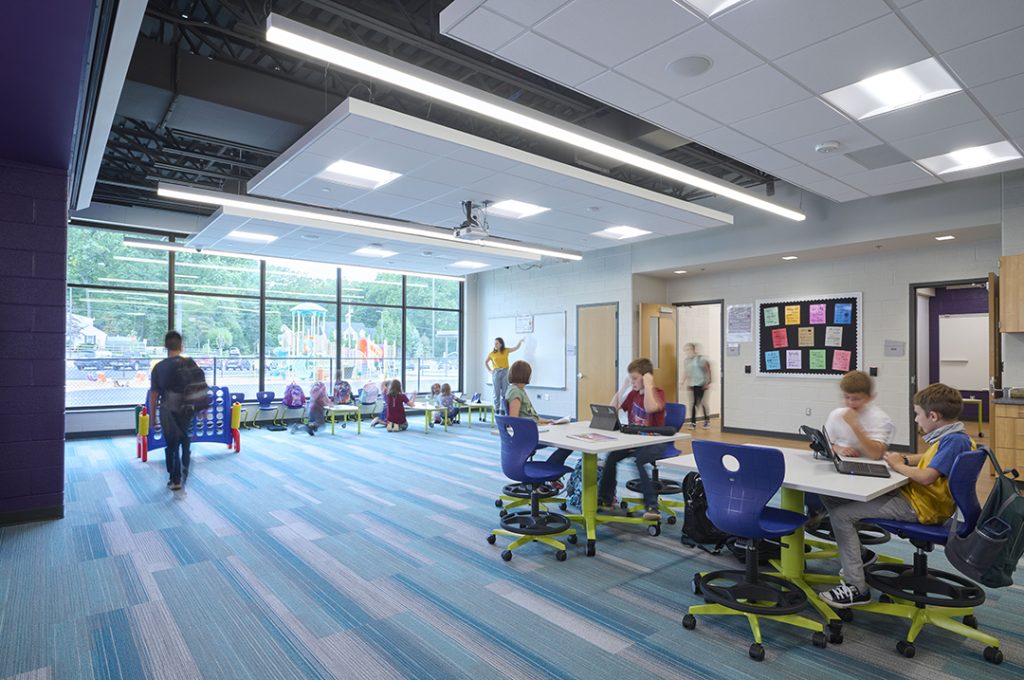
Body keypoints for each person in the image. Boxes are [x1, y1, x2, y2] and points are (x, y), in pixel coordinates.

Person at [818, 383, 974, 608]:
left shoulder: (953, 441)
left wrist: (899, 466)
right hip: (920, 501)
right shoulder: (958, 437)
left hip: (919, 507)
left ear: (933, 415)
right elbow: (933, 457)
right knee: (832, 498)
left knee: (842, 515)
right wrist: (904, 459)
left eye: (918, 415)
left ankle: (855, 588)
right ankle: (859, 555)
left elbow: (926, 477)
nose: (916, 420)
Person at [597, 358, 666, 521]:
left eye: (635, 378)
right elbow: (612, 409)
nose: (632, 381)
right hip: (635, 441)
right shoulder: (633, 395)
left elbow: (650, 408)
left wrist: (648, 385)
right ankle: (605, 499)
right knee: (612, 456)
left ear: (646, 376)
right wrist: (624, 387)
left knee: (640, 460)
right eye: (631, 378)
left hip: (655, 442)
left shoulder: (658, 393)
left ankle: (652, 506)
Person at [505, 360, 573, 488]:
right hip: (527, 435)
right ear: (524, 374)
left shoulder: (519, 390)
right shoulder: (515, 392)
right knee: (567, 443)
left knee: (566, 440)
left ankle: (549, 474)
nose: (531, 376)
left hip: (531, 430)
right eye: (529, 373)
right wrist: (536, 425)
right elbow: (513, 420)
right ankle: (550, 474)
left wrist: (546, 421)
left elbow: (527, 415)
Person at [148, 331, 201, 491]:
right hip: (186, 408)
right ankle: (185, 463)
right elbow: (198, 388)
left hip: (167, 408)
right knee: (185, 438)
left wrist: (153, 418)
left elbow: (154, 395)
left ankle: (175, 478)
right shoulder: (190, 364)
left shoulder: (159, 367)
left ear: (166, 347)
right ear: (181, 346)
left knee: (171, 443)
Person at [824, 370, 895, 460]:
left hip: (869, 464)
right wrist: (838, 449)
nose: (850, 403)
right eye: (846, 397)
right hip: (840, 461)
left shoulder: (881, 419)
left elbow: (876, 455)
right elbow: (826, 443)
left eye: (856, 399)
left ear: (870, 398)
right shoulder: (836, 414)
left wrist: (855, 426)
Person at [485, 337, 524, 415]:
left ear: (501, 344)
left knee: (505, 392)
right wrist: (490, 370)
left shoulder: (506, 350)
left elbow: (515, 348)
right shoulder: (492, 354)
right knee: (496, 392)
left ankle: (503, 410)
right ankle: (496, 409)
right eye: (494, 343)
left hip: (505, 372)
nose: (495, 345)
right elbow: (486, 362)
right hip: (496, 372)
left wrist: (520, 342)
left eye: (497, 343)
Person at [682, 343, 712, 429]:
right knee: (694, 403)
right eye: (686, 350)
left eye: (689, 349)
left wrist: (708, 382)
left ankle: (706, 421)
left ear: (693, 350)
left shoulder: (700, 359)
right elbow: (687, 372)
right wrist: (684, 382)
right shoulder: (687, 361)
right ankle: (693, 422)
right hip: (693, 384)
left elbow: (708, 370)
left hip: (702, 384)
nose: (687, 352)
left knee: (702, 402)